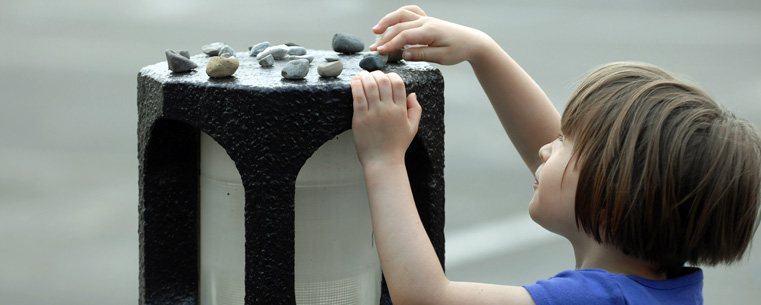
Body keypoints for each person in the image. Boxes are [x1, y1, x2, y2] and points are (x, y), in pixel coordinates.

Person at [349, 5, 761, 305]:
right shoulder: (668, 286)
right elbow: (568, 171)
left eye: (565, 142)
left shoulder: (598, 298)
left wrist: (384, 159)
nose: (546, 147)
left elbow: (426, 299)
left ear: (610, 202)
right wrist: (483, 51)